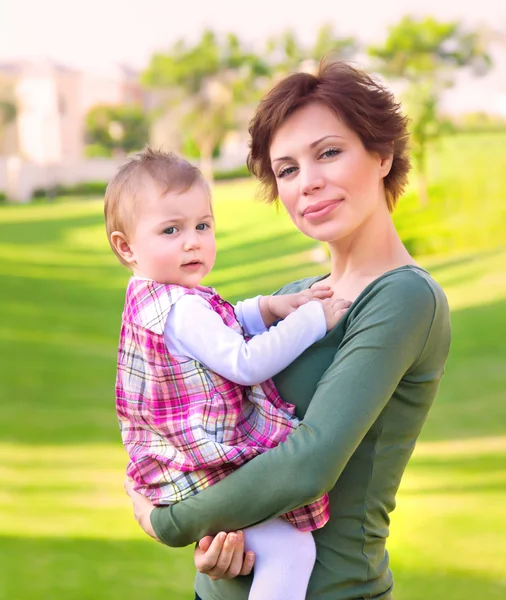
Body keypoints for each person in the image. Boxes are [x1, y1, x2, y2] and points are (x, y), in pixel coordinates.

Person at [124, 59, 452, 600]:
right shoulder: (302, 296)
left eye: (328, 152)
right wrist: (217, 539)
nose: (309, 182)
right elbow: (220, 430)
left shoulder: (402, 297)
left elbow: (308, 465)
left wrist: (171, 522)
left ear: (382, 154)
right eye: (287, 169)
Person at [104, 147, 352, 600]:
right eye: (171, 230)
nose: (192, 241)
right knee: (290, 551)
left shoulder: (153, 297)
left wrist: (269, 308)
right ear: (126, 247)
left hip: (170, 465)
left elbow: (217, 326)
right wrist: (311, 320)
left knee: (278, 549)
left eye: (202, 225)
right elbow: (244, 361)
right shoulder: (179, 307)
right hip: (199, 464)